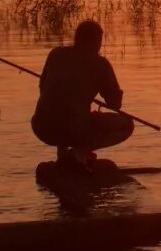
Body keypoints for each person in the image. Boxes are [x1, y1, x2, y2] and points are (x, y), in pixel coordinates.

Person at [31, 20, 134, 171]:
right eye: (99, 42)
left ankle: (63, 155)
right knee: (127, 124)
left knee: (67, 112)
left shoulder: (56, 54)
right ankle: (79, 153)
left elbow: (43, 87)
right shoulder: (100, 64)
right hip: (73, 128)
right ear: (96, 42)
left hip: (41, 126)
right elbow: (115, 104)